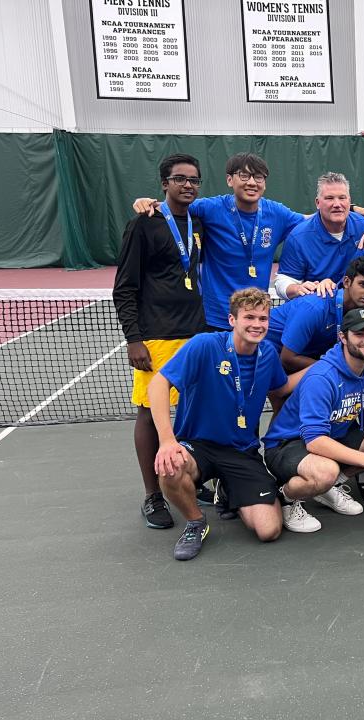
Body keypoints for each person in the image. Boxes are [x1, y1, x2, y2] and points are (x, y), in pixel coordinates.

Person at [149, 288, 297, 560]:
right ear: (232, 320)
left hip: (241, 450)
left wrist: (326, 364)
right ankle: (196, 521)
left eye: (263, 318)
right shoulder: (204, 345)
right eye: (249, 317)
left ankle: (230, 490)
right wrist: (167, 440)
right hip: (197, 445)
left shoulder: (267, 355)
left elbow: (282, 386)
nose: (256, 324)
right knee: (170, 469)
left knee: (269, 529)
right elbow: (159, 382)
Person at [114, 153, 207, 530]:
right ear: (164, 184)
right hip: (156, 337)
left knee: (189, 413)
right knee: (151, 415)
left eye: (194, 180)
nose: (188, 185)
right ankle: (153, 496)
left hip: (197, 333)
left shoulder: (198, 222)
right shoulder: (144, 224)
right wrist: (134, 339)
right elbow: (124, 288)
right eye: (180, 179)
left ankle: (185, 479)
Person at [262, 308, 364, 531]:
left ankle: (328, 488)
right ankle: (285, 498)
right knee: (325, 472)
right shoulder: (322, 377)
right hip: (287, 444)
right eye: (360, 334)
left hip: (332, 435)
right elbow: (314, 441)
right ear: (343, 336)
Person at [133, 152, 306, 331]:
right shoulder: (211, 208)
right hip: (214, 319)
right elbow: (172, 207)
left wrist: (334, 208)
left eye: (259, 177)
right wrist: (147, 202)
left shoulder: (278, 213)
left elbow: (311, 222)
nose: (252, 182)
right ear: (230, 180)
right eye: (244, 176)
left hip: (255, 320)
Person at [266, 256, 364, 371]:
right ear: (347, 282)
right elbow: (287, 359)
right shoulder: (314, 307)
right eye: (363, 284)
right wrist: (337, 369)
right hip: (263, 355)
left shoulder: (361, 311)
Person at [274, 172, 364, 299]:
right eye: (329, 198)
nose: (337, 204)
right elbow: (283, 281)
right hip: (319, 305)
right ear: (317, 203)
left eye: (342, 198)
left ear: (349, 201)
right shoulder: (298, 237)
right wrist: (298, 288)